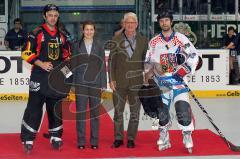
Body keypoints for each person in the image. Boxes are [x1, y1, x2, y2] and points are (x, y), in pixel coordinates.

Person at [144, 10, 199, 152]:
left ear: (171, 22)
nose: (164, 23)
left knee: (182, 111)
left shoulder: (181, 38)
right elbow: (147, 62)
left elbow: (194, 55)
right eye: (161, 21)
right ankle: (164, 134)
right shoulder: (154, 42)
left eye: (167, 20)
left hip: (178, 83)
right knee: (161, 113)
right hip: (161, 83)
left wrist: (185, 69)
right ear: (159, 23)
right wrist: (150, 71)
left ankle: (187, 135)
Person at [20, 4, 71, 154]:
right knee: (34, 108)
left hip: (56, 79)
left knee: (55, 108)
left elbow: (67, 57)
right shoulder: (36, 33)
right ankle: (28, 139)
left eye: (55, 15)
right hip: (38, 77)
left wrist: (68, 76)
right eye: (50, 15)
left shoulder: (63, 34)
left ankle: (55, 136)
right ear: (44, 16)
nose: (53, 18)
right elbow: (25, 53)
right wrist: (40, 63)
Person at [108, 12, 148, 148]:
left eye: (133, 23)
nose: (130, 25)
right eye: (127, 23)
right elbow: (111, 61)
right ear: (124, 24)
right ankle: (118, 138)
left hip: (137, 82)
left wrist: (147, 78)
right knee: (118, 112)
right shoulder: (116, 39)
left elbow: (146, 61)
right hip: (119, 82)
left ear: (136, 24)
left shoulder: (143, 40)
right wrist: (111, 79)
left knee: (135, 112)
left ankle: (131, 138)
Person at [73, 20, 107, 150]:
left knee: (95, 114)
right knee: (81, 114)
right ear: (83, 31)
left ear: (94, 31)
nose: (89, 32)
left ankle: (94, 141)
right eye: (86, 29)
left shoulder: (99, 46)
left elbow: (102, 65)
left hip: (95, 83)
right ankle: (81, 141)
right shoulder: (76, 45)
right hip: (80, 83)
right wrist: (72, 84)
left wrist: (103, 84)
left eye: (91, 29)